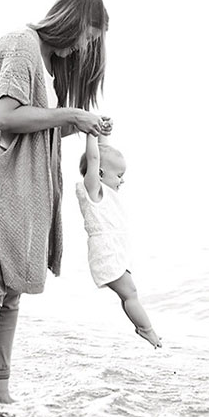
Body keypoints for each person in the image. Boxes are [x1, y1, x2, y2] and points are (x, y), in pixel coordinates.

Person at [0, 0, 112, 417]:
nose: (85, 49)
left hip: (2, 173)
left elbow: (31, 130)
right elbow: (6, 117)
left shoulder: (42, 60)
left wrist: (78, 124)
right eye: (88, 37)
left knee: (10, 288)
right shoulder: (23, 44)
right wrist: (69, 114)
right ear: (70, 21)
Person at [75, 134, 162, 348]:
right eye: (119, 175)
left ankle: (142, 327)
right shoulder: (93, 191)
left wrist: (102, 132)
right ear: (100, 174)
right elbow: (95, 159)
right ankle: (146, 330)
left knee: (128, 294)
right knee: (130, 293)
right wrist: (90, 134)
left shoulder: (104, 190)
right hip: (107, 253)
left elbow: (101, 154)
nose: (122, 180)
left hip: (115, 251)